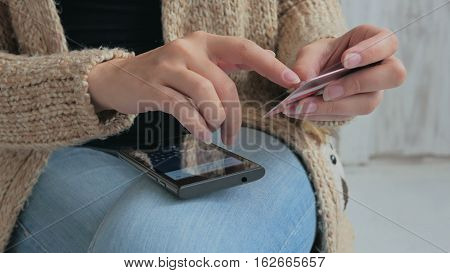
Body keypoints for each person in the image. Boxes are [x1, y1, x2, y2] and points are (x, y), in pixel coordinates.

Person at [0, 0, 406, 252]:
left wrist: (326, 57)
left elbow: (299, 7)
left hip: (250, 131)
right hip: (48, 150)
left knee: (157, 247)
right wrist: (97, 83)